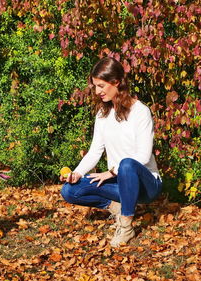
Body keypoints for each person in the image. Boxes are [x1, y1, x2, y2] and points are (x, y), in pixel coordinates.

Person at [60, 57, 162, 247]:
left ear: (116, 82)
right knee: (69, 191)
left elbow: (143, 156)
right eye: (95, 86)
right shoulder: (103, 114)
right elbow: (94, 151)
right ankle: (117, 206)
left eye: (101, 86)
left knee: (127, 163)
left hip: (147, 185)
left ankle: (126, 227)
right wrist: (77, 173)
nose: (97, 91)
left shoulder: (141, 112)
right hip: (119, 182)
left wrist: (111, 172)